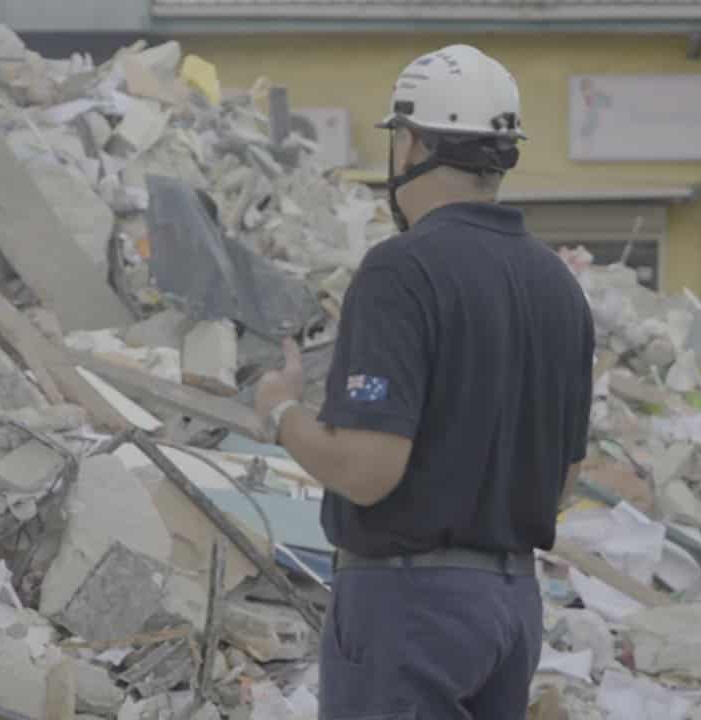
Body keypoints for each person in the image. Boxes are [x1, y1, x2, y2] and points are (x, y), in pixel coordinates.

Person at [252, 44, 595, 719]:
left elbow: (368, 468)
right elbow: (564, 480)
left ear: (409, 144)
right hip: (512, 606)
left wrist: (281, 411)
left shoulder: (399, 272)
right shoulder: (559, 287)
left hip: (409, 609)